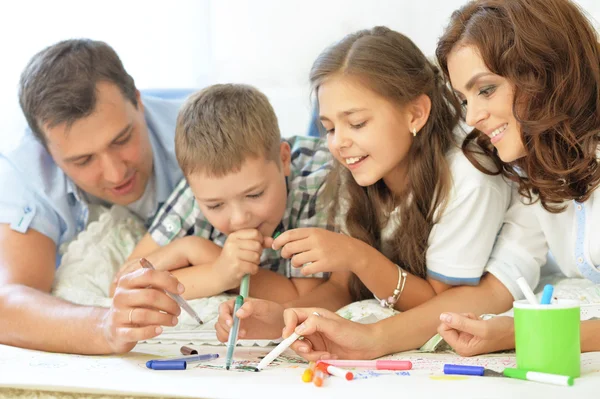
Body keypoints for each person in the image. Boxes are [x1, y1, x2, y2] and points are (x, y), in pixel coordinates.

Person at [216, 26, 513, 354]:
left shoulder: (468, 178)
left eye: (356, 123)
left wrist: (358, 256)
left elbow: (442, 305)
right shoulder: (358, 170)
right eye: (329, 128)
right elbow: (341, 288)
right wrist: (282, 319)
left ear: (415, 113)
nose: (339, 143)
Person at [434, 0, 600, 355]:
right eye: (464, 100)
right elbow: (506, 275)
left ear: (544, 71)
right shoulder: (540, 166)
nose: (473, 117)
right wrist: (373, 339)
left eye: (486, 89)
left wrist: (521, 334)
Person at [0, 39, 187, 354]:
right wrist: (106, 327)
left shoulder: (205, 132)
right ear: (46, 151)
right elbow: (8, 302)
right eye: (83, 160)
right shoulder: (25, 170)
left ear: (139, 102)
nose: (115, 174)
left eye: (122, 139)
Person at [114, 83, 353, 327]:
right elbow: (126, 283)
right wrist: (205, 262)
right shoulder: (204, 186)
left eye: (255, 195)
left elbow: (301, 296)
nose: (239, 219)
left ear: (283, 159)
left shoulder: (317, 182)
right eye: (216, 206)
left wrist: (213, 260)